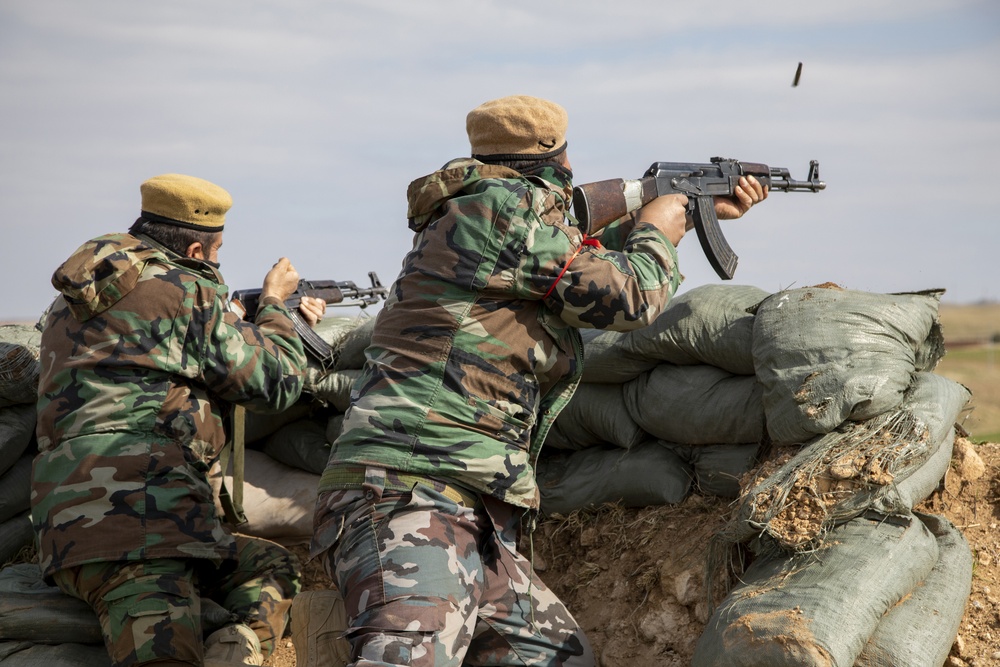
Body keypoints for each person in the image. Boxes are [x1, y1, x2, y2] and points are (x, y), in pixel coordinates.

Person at [306, 95, 766, 666]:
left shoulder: (486, 216)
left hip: (467, 505)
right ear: (560, 162)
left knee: (557, 658)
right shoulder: (502, 210)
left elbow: (573, 263)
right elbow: (626, 297)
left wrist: (685, 209)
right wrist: (658, 230)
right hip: (409, 491)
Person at [31, 173, 326, 667]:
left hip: (65, 528)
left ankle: (237, 649)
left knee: (267, 564)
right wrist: (275, 308)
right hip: (140, 525)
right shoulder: (186, 292)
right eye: (217, 253)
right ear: (196, 249)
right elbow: (274, 382)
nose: (216, 264)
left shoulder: (66, 305)